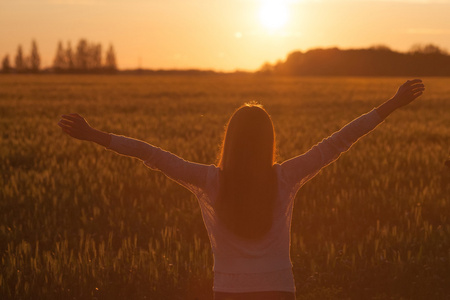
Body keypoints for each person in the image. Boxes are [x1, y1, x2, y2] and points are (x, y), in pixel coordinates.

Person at [58, 79, 425, 300]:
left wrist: (94, 135)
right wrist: (391, 104)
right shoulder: (285, 177)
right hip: (280, 290)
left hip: (229, 293)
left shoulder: (210, 181)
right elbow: (338, 142)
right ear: (268, 142)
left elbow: (150, 155)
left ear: (230, 141)